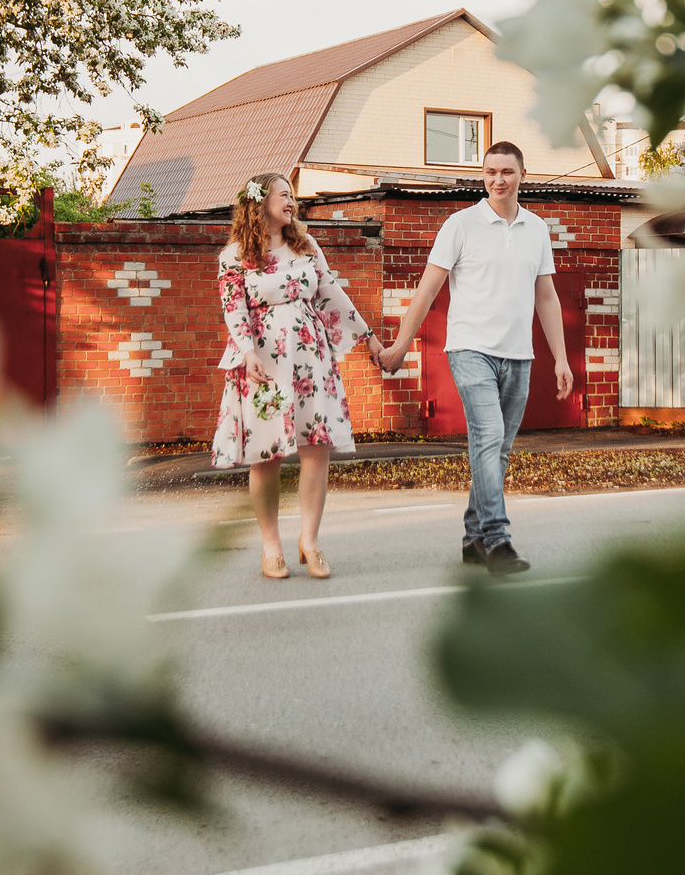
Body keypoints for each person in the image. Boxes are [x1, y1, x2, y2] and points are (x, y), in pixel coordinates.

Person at [372, 142, 571, 575]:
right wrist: (403, 343)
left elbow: (547, 295)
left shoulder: (536, 229)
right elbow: (427, 290)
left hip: (519, 354)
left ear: (523, 175)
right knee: (489, 436)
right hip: (470, 349)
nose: (498, 179)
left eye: (507, 171)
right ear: (483, 176)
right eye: (490, 171)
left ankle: (472, 538)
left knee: (496, 448)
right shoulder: (460, 225)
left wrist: (561, 358)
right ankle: (498, 540)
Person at [213, 171, 375, 580]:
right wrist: (248, 352)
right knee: (265, 454)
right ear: (260, 202)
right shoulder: (234, 255)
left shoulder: (304, 245)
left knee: (315, 447)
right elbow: (234, 308)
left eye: (292, 196)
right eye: (284, 195)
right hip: (262, 362)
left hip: (309, 357)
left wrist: (369, 337)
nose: (292, 201)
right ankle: (271, 546)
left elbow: (332, 293)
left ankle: (311, 541)